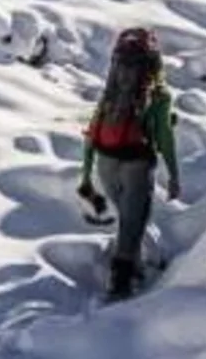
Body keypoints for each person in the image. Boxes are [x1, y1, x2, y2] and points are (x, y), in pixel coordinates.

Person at [78, 27, 180, 301]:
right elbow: (164, 138)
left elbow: (92, 131)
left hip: (106, 162)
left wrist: (86, 173)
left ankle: (132, 267)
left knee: (128, 219)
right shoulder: (158, 95)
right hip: (137, 163)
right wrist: (173, 175)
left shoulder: (111, 92)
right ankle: (120, 283)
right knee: (134, 221)